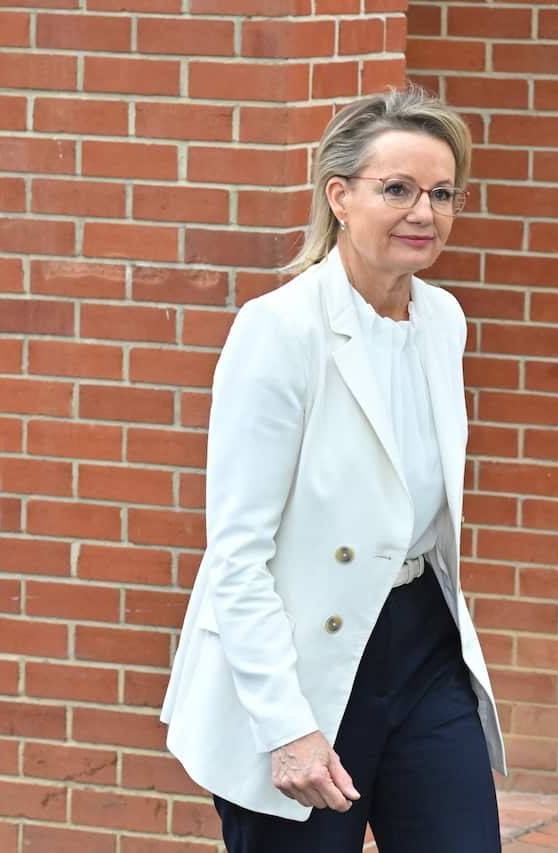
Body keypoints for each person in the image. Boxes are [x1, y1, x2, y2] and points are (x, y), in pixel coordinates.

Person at [158, 86, 506, 852]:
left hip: (421, 641)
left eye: (443, 193)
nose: (425, 212)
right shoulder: (279, 331)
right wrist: (287, 725)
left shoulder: (442, 321)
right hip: (303, 658)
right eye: (399, 189)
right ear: (339, 197)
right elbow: (237, 557)